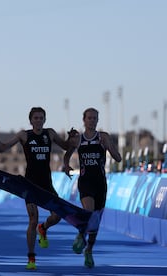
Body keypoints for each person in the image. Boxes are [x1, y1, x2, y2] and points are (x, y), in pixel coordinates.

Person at [0, 107, 71, 270]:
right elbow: (2, 148)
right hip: (30, 184)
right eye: (36, 118)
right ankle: (31, 257)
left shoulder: (50, 134)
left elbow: (67, 146)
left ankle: (44, 227)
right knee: (32, 219)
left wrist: (72, 138)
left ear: (45, 120)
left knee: (57, 215)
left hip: (46, 184)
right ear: (31, 120)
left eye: (41, 118)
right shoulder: (24, 135)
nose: (38, 121)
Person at [63, 107, 122, 268]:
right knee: (89, 213)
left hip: (100, 184)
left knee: (95, 222)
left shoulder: (103, 137)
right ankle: (81, 235)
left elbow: (118, 158)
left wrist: (108, 146)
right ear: (84, 120)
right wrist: (66, 165)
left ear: (97, 120)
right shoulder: (78, 139)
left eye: (95, 118)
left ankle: (89, 250)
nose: (92, 121)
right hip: (85, 182)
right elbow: (67, 154)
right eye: (89, 118)